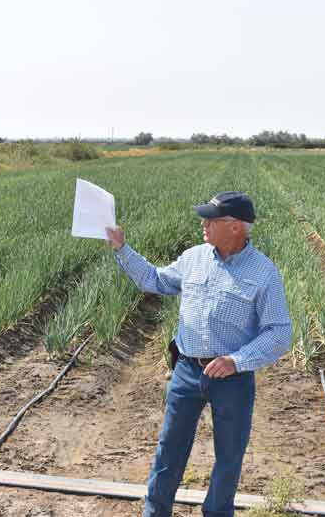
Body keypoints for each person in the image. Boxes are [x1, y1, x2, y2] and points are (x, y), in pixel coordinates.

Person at [106, 191, 292, 517]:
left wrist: (237, 360)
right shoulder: (194, 257)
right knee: (169, 448)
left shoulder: (263, 272)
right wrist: (121, 248)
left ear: (236, 227)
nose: (203, 224)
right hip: (187, 371)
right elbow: (154, 279)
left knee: (229, 454)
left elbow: (279, 332)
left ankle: (218, 512)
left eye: (211, 219)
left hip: (232, 378)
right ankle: (155, 511)